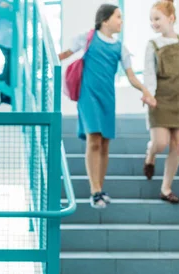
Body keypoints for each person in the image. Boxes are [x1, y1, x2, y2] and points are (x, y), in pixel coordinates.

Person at [59, 4, 157, 209]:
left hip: (107, 99)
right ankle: (94, 191)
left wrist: (145, 91)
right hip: (88, 97)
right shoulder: (86, 38)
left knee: (104, 144)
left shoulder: (120, 48)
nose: (121, 21)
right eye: (118, 17)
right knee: (93, 140)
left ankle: (100, 189)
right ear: (105, 20)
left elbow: (131, 76)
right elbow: (64, 54)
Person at [143, 0, 179, 204]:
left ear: (171, 18)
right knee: (160, 143)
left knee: (177, 145)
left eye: (157, 18)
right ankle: (150, 155)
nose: (154, 23)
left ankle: (166, 188)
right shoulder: (153, 45)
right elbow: (150, 75)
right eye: (151, 20)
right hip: (159, 102)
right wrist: (149, 95)